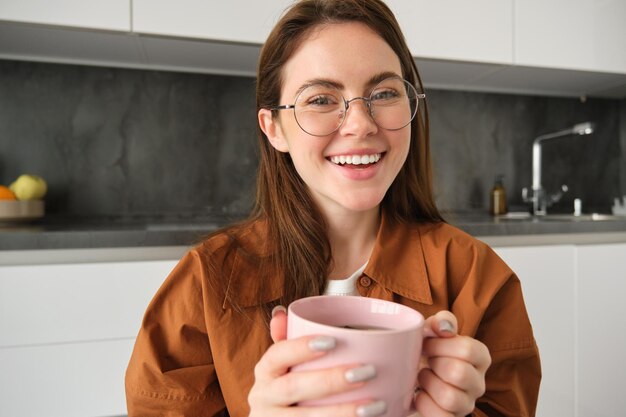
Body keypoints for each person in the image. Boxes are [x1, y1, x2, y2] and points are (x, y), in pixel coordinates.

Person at [125, 0, 541, 416]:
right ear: (274, 129)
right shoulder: (205, 283)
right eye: (321, 99)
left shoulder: (479, 278)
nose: (360, 124)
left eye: (384, 93)